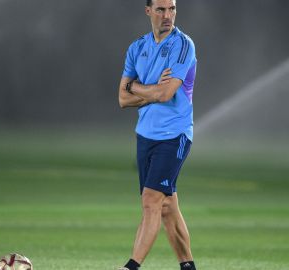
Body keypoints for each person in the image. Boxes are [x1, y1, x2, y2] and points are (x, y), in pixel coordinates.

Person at [117, 0, 197, 269]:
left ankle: (131, 266)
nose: (168, 15)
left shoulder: (183, 45)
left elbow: (165, 94)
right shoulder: (136, 47)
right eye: (161, 9)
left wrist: (136, 86)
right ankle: (188, 266)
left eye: (172, 8)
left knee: (151, 201)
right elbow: (122, 99)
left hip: (175, 135)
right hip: (145, 135)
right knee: (167, 208)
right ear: (148, 11)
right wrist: (149, 90)